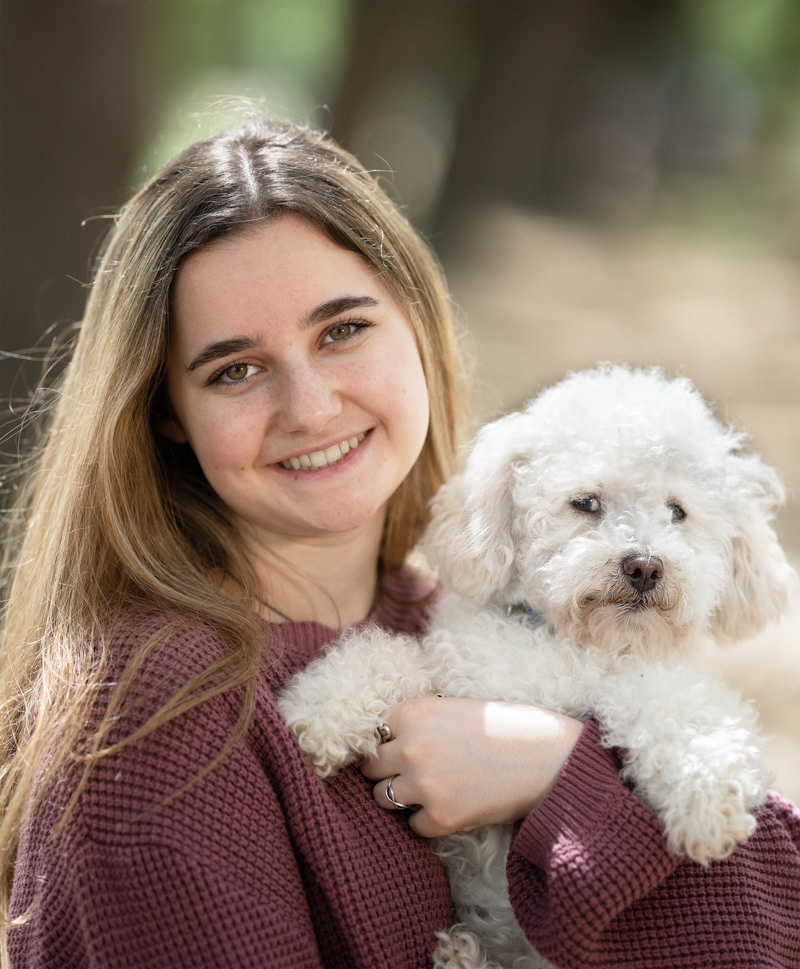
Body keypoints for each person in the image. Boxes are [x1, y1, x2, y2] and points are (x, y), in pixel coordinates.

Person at [1, 116, 798, 969]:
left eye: (342, 330)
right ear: (166, 414)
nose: (309, 408)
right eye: (234, 369)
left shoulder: (440, 616)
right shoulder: (154, 717)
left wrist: (559, 769)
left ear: (417, 327)